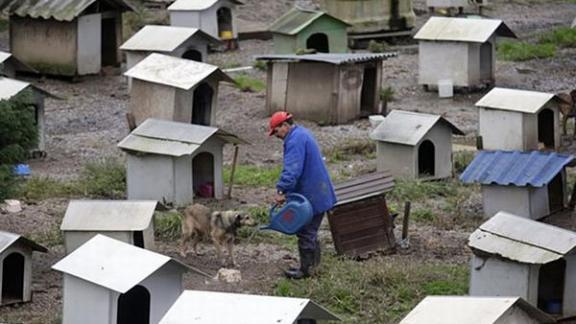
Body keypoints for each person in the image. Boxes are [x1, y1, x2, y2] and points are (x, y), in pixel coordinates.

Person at [269, 111, 337, 279]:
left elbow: (292, 169)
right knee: (310, 231)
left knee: (306, 231)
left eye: (276, 131)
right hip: (317, 191)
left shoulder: (294, 140)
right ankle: (314, 267)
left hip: (312, 194)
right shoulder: (302, 133)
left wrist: (281, 190)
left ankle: (306, 271)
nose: (276, 135)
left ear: (285, 125)